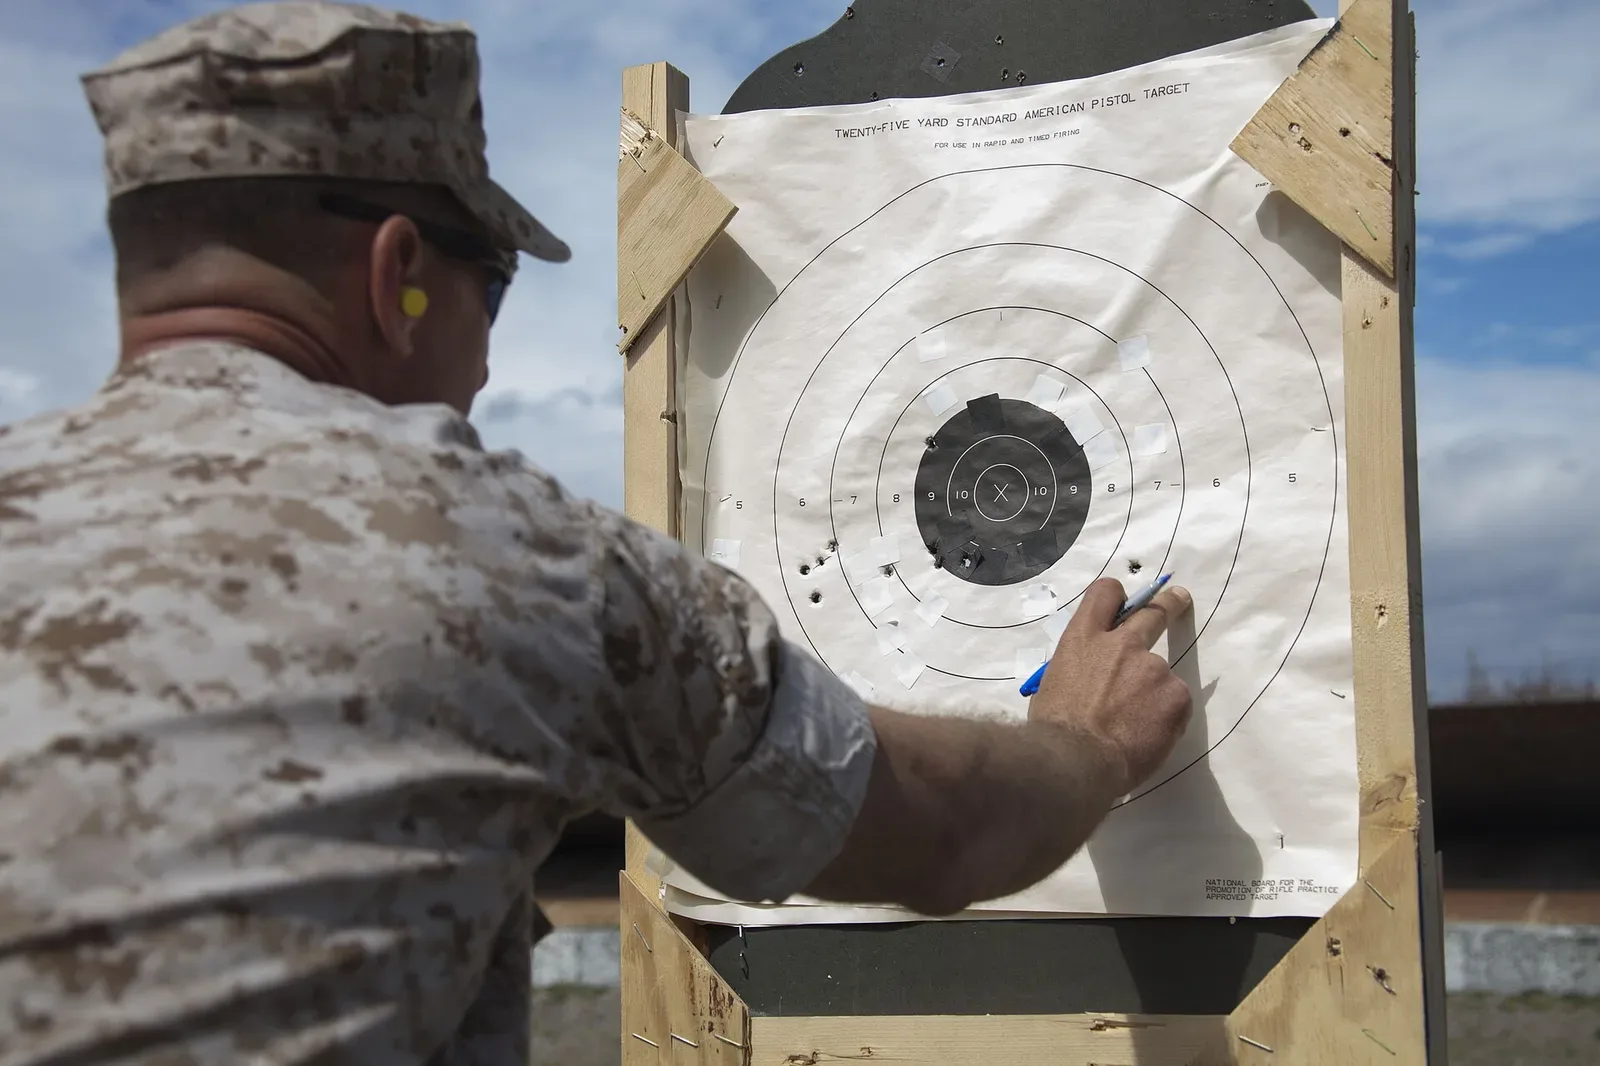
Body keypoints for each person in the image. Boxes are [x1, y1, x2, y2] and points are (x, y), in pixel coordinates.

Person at [0, 2, 1194, 1063]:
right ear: (397, 272)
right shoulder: (515, 561)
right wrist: (1086, 739)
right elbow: (940, 835)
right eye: (493, 284)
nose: (484, 359)